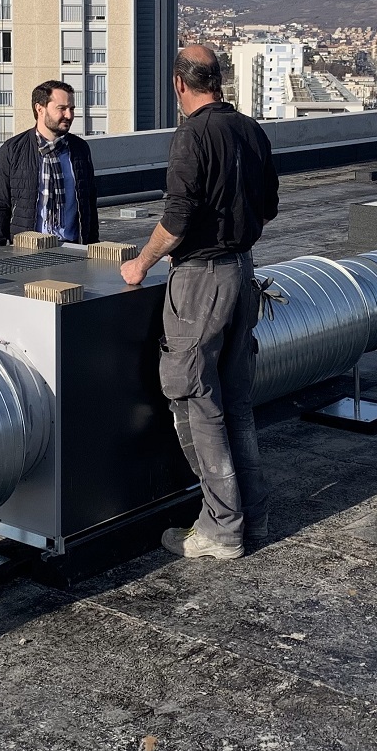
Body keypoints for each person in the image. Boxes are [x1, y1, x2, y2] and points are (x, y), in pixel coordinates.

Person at [120, 45, 278, 560]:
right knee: (235, 401)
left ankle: (221, 528)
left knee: (196, 400)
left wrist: (141, 263)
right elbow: (269, 205)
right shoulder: (249, 129)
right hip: (243, 272)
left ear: (179, 84)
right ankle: (253, 517)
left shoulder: (192, 134)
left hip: (201, 280)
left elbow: (177, 218)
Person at [0, 80, 99, 247]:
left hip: (73, 248)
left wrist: (93, 246)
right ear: (39, 109)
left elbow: (89, 202)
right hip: (28, 249)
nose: (69, 115)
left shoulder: (80, 149)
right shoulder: (13, 149)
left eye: (71, 109)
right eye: (62, 108)